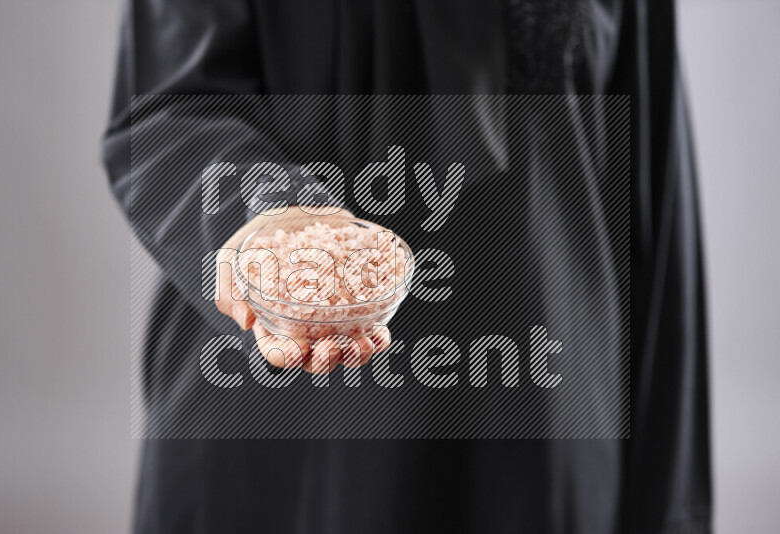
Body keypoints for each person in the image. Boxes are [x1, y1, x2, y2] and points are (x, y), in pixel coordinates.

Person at [103, 1, 711, 532]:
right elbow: (166, 107)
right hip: (287, 453)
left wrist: (670, 509)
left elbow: (652, 195)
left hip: (544, 447)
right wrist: (275, 229)